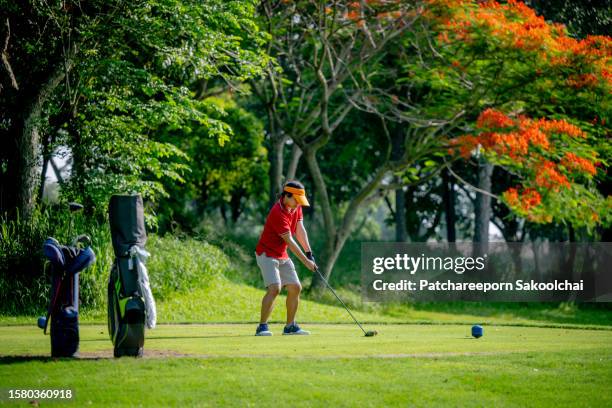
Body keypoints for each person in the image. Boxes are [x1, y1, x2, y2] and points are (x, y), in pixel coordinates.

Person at [254, 180, 317, 336]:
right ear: (286, 195)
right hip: (266, 254)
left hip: (282, 255)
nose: (298, 204)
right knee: (275, 288)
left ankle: (290, 327)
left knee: (296, 287)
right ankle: (262, 327)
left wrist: (309, 253)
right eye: (296, 199)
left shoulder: (296, 207)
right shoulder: (277, 213)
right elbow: (290, 241)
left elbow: (300, 230)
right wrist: (306, 262)